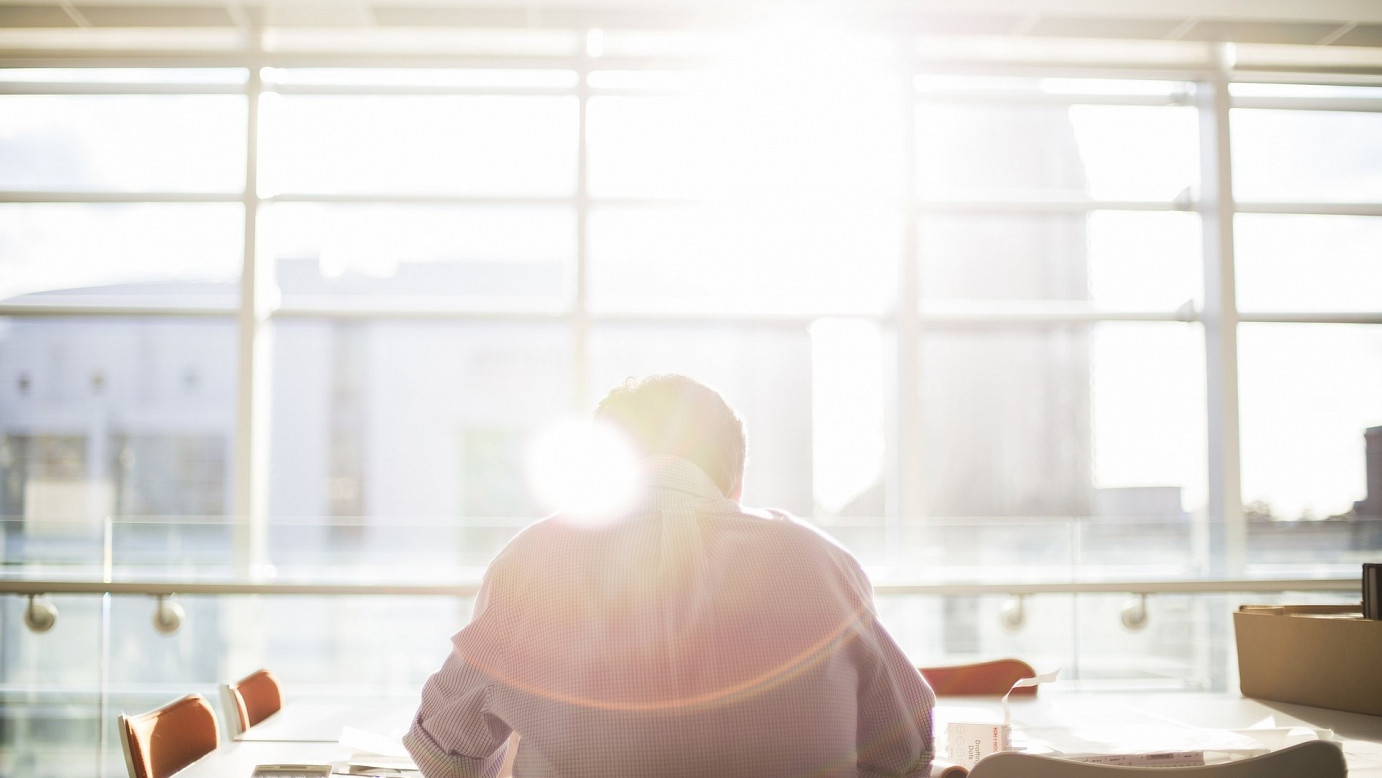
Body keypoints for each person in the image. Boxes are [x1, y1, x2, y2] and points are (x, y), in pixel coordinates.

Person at [405, 374, 934, 778]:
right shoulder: (822, 564)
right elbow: (907, 750)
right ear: (737, 481)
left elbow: (442, 751)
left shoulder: (534, 561)